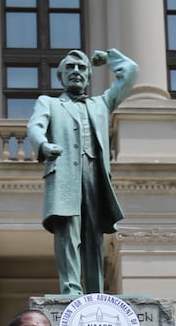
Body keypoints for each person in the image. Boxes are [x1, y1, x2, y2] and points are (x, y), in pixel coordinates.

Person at [26, 48, 138, 296]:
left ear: (89, 75)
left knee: (93, 238)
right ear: (61, 76)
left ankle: (95, 292)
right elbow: (35, 126)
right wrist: (43, 145)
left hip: (94, 174)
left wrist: (110, 59)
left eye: (81, 68)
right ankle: (71, 290)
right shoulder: (50, 103)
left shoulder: (102, 103)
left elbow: (130, 71)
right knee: (67, 232)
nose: (76, 72)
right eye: (70, 68)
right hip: (65, 173)